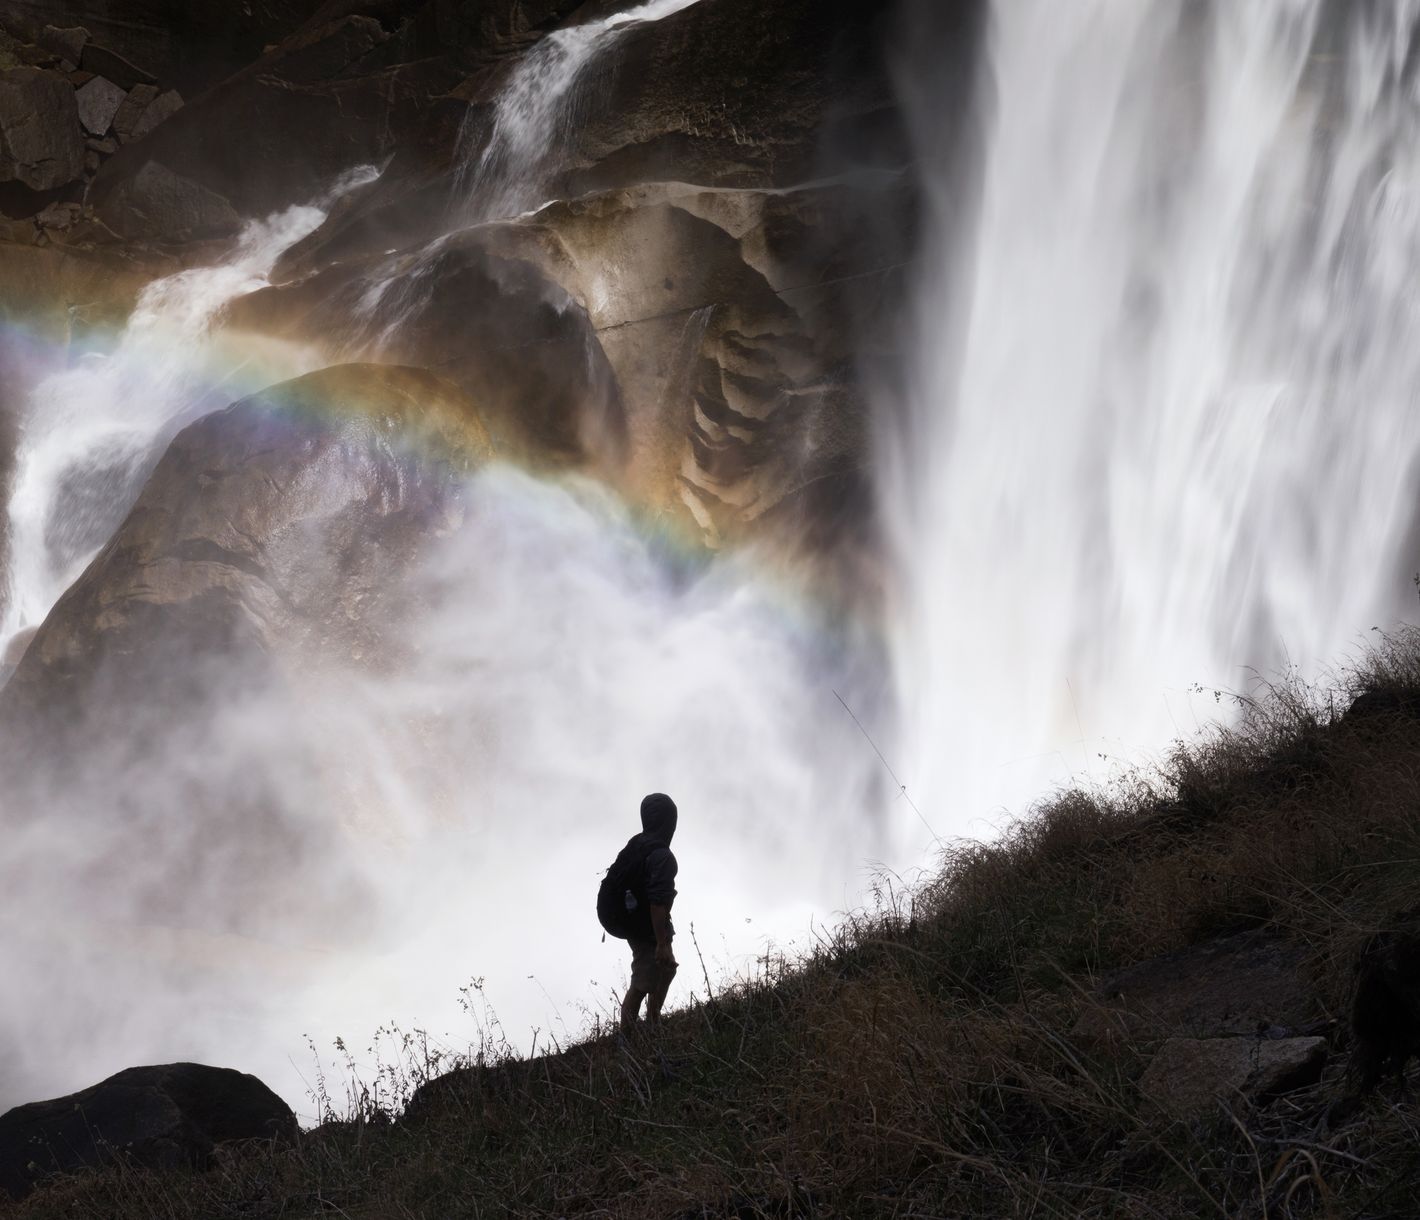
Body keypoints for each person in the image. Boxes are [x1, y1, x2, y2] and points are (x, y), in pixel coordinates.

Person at [609, 792, 679, 1034]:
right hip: (643, 924)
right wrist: (661, 943)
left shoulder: (638, 843)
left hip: (633, 919)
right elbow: (657, 903)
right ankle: (627, 1038)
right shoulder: (661, 856)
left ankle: (652, 1022)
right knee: (643, 980)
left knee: (665, 969)